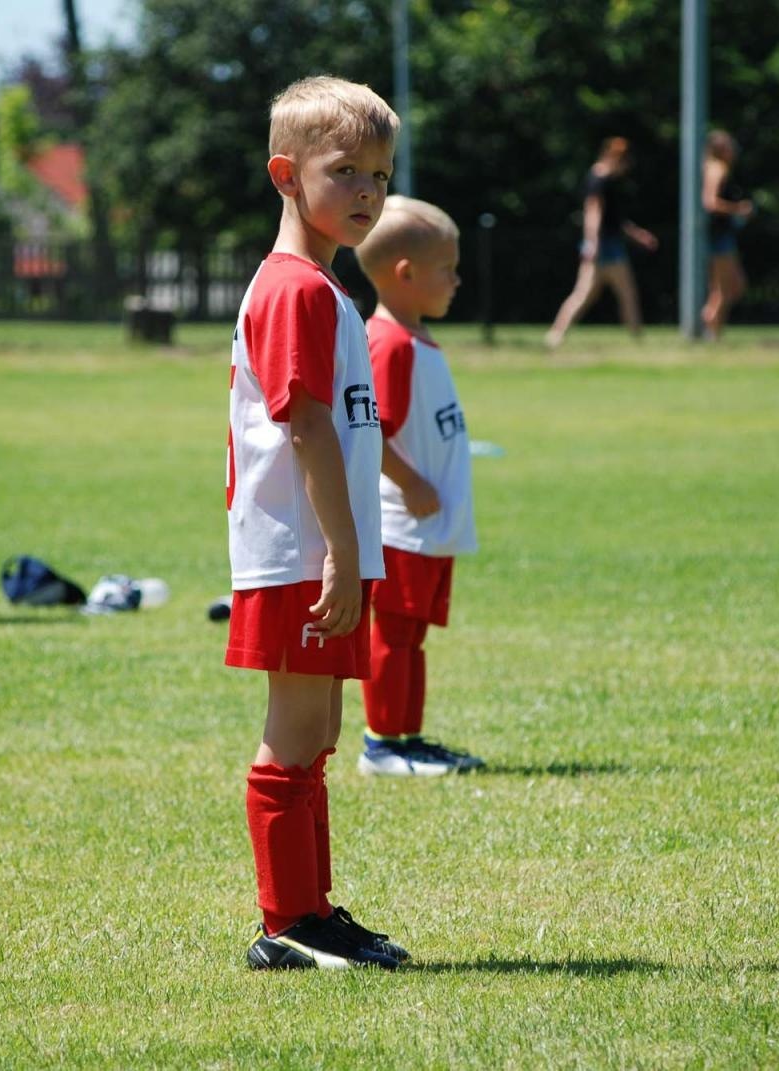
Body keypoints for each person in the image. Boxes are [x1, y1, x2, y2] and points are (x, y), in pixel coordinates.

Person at [227, 76, 409, 971]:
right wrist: (342, 546)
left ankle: (314, 912)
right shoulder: (295, 289)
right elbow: (302, 424)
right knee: (294, 734)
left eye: (381, 172)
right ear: (286, 175)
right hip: (303, 550)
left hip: (328, 549)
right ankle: (285, 923)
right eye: (346, 171)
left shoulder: (326, 289)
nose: (368, 191)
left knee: (320, 733)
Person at [351, 196, 484, 776]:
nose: (456, 280)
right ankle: (383, 744)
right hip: (402, 526)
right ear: (406, 273)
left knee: (412, 639)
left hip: (427, 527)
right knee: (396, 636)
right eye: (446, 269)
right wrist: (408, 484)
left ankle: (408, 736)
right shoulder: (389, 344)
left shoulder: (414, 338)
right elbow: (366, 431)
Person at [544, 137, 659, 349]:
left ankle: (556, 334)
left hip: (606, 243)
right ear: (615, 158)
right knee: (624, 293)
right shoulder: (599, 180)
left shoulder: (607, 180)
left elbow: (614, 219)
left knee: (587, 293)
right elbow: (593, 213)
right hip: (606, 246)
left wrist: (637, 234)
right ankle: (637, 338)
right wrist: (591, 243)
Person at [701, 129, 754, 340]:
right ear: (722, 149)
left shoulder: (710, 167)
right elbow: (710, 202)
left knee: (723, 288)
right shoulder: (718, 169)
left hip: (718, 234)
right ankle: (709, 323)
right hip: (720, 235)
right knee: (731, 286)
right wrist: (738, 209)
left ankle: (714, 333)